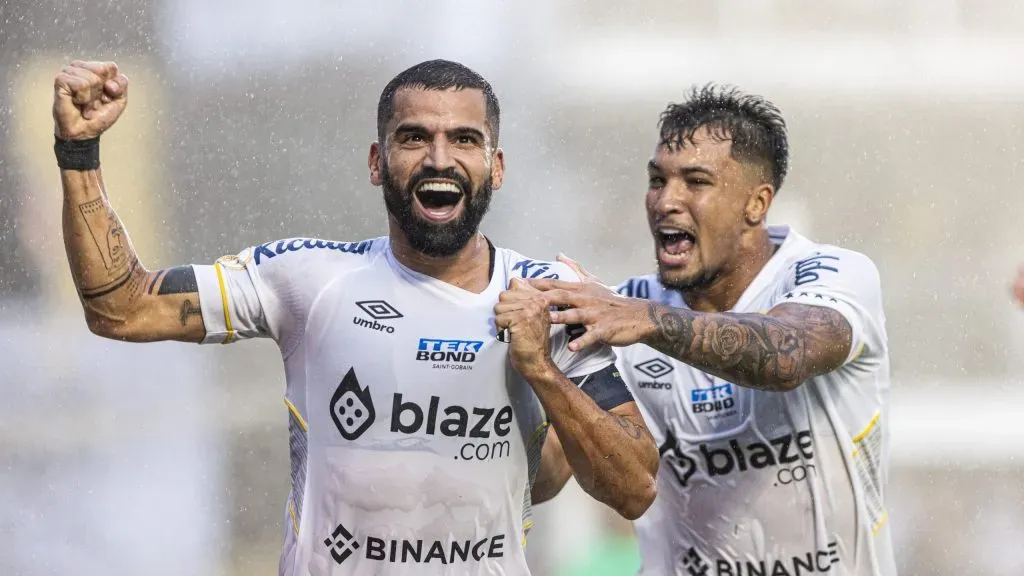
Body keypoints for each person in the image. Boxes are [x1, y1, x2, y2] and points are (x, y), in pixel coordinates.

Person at [53, 58, 658, 575]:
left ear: (496, 168)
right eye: (414, 137)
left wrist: (541, 372)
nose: (439, 159)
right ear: (377, 161)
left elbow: (633, 489)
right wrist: (79, 152)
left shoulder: (550, 299)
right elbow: (121, 308)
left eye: (465, 140)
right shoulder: (307, 278)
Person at [531, 85, 896, 575]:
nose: (666, 201)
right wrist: (540, 369)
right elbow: (545, 478)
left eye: (696, 182)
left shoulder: (832, 274)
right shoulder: (619, 318)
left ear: (756, 203)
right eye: (657, 180)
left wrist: (643, 320)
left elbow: (787, 355)